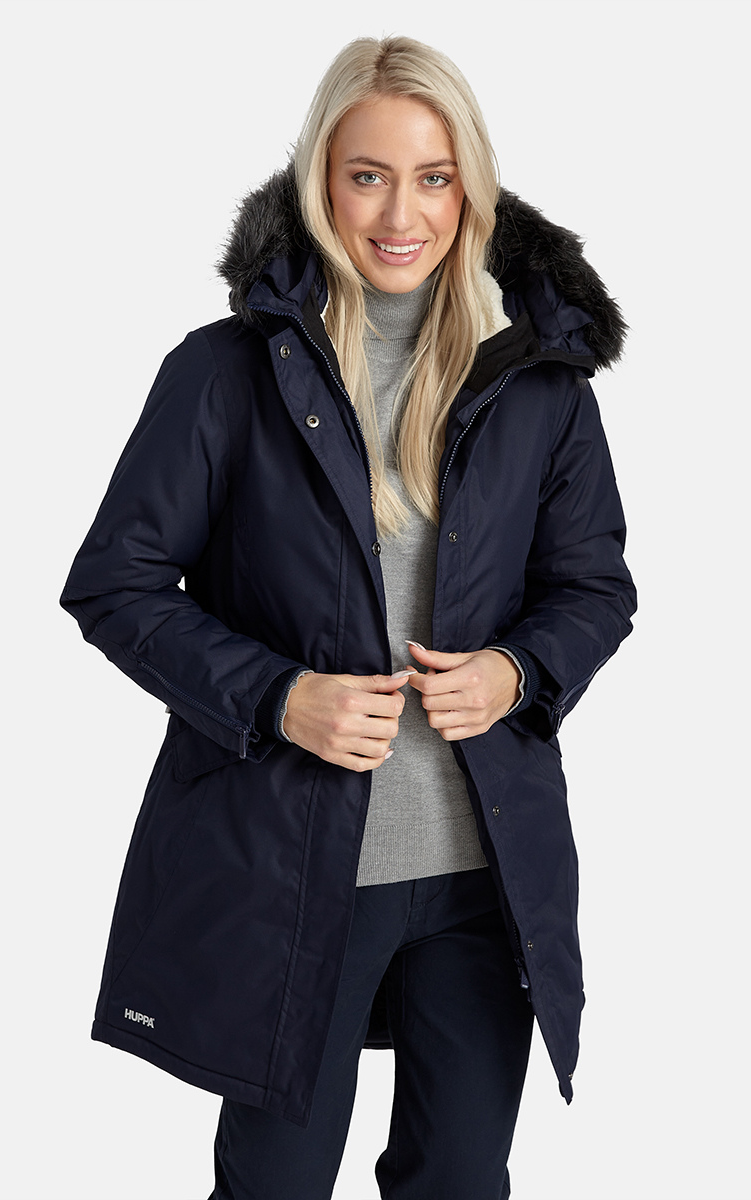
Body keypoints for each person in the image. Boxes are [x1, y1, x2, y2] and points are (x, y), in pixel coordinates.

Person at [61, 34, 636, 1200]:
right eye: (366, 175)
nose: (399, 213)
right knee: (274, 1184)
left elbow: (592, 587)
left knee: (461, 1180)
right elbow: (115, 582)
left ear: (468, 188)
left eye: (432, 177)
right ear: (319, 180)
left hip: (484, 876)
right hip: (292, 871)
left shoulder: (537, 383)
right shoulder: (226, 374)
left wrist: (516, 673)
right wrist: (279, 698)